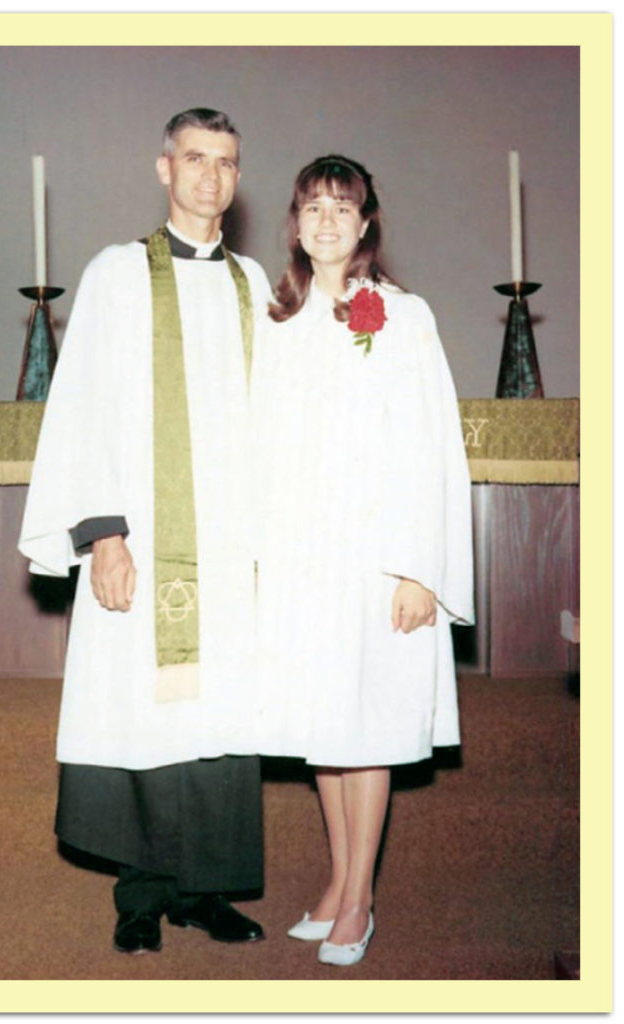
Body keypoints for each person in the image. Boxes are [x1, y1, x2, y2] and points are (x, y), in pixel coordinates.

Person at [19, 108, 271, 955]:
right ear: (164, 168)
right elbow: (83, 402)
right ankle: (140, 894)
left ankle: (206, 890)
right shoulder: (118, 274)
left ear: (237, 178)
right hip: (142, 533)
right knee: (139, 713)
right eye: (195, 158)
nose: (211, 176)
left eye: (226, 162)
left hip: (233, 550)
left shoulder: (255, 283)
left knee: (218, 715)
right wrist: (106, 535)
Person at [251, 155, 474, 967]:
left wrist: (422, 569)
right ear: (295, 222)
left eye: (342, 208)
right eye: (312, 207)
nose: (326, 222)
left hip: (378, 555)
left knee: (367, 725)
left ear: (366, 222)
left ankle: (359, 898)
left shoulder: (402, 316)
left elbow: (429, 448)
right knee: (324, 725)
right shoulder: (276, 319)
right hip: (303, 555)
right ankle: (340, 880)